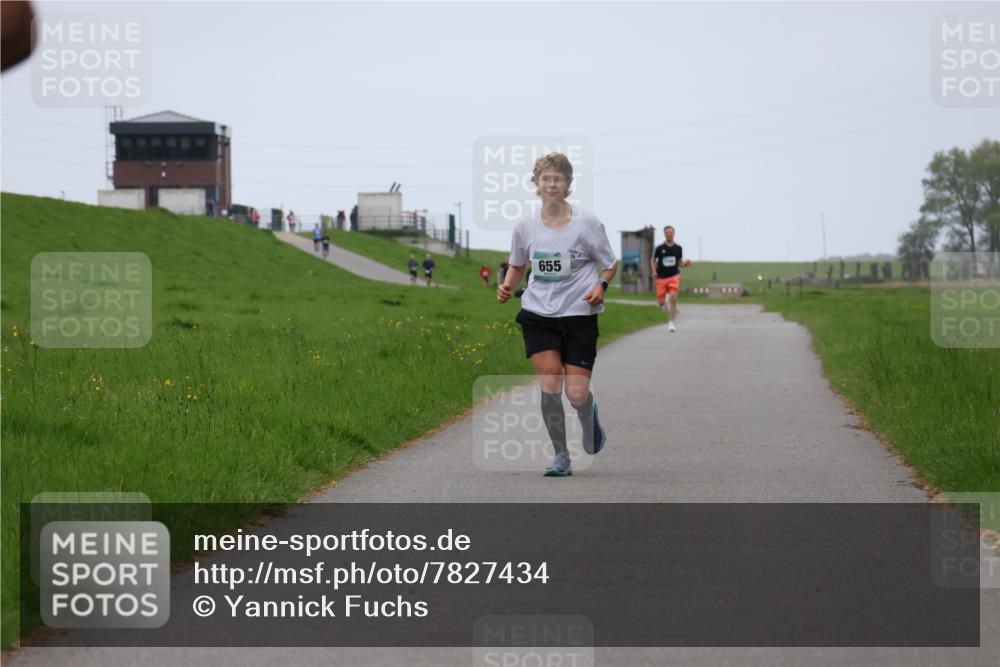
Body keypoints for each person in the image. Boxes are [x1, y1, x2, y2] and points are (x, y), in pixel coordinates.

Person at [497, 152, 617, 477]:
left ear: (568, 185)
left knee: (575, 393)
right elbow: (519, 263)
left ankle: (587, 412)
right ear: (536, 184)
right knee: (550, 382)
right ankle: (561, 456)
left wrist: (601, 286)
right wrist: (508, 285)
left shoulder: (587, 224)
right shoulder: (524, 226)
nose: (552, 184)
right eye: (546, 178)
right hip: (538, 313)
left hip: (579, 314)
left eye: (558, 179)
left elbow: (609, 263)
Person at [651, 225, 692, 332]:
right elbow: (653, 260)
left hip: (674, 276)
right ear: (664, 234)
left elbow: (679, 262)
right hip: (661, 278)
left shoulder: (678, 248)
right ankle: (663, 305)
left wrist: (685, 264)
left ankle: (671, 323)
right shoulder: (659, 248)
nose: (669, 234)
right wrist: (654, 271)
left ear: (674, 234)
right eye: (667, 232)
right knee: (661, 302)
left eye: (671, 232)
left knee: (673, 299)